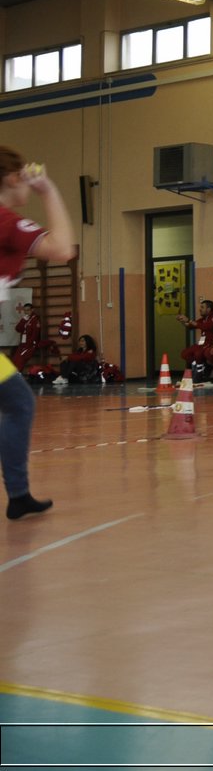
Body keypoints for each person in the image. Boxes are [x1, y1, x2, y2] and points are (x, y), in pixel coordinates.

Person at [0, 150, 75, 519]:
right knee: (18, 404)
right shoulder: (5, 220)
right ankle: (17, 494)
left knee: (19, 402)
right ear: (15, 178)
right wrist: (47, 190)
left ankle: (18, 495)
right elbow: (63, 249)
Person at [177, 300, 213, 380]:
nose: (200, 309)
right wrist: (182, 321)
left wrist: (189, 320)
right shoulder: (204, 318)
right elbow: (191, 326)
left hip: (210, 343)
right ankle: (199, 366)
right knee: (185, 353)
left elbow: (206, 327)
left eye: (202, 307)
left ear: (209, 309)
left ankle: (200, 371)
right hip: (202, 343)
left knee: (198, 353)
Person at [11, 301, 41, 370]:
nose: (26, 312)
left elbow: (35, 334)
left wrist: (29, 344)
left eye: (28, 310)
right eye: (25, 310)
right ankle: (13, 376)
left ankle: (17, 377)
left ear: (32, 310)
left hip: (30, 345)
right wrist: (23, 320)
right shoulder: (26, 319)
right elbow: (17, 329)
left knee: (20, 360)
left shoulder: (35, 319)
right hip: (23, 344)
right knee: (15, 359)